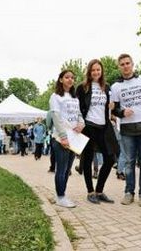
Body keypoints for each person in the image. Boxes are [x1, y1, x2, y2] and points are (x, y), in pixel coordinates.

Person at [111, 53, 141, 207]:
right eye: (122, 64)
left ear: (132, 64)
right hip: (127, 129)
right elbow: (113, 109)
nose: (125, 66)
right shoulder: (115, 87)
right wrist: (122, 113)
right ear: (119, 67)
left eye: (127, 63)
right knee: (129, 162)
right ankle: (129, 192)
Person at [76, 59, 119, 204]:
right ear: (89, 71)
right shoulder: (82, 88)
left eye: (98, 70)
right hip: (89, 126)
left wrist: (112, 107)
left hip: (104, 126)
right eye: (93, 70)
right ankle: (90, 191)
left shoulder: (106, 87)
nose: (95, 72)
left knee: (110, 158)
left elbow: (110, 106)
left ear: (101, 71)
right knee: (88, 159)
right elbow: (78, 108)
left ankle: (99, 190)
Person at [49, 70, 85, 208]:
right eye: (67, 77)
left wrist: (82, 123)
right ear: (61, 80)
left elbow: (79, 113)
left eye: (72, 78)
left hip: (74, 137)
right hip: (61, 138)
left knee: (68, 169)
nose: (70, 80)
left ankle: (62, 194)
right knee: (61, 169)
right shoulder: (55, 97)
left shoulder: (74, 97)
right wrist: (63, 137)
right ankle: (60, 197)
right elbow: (56, 118)